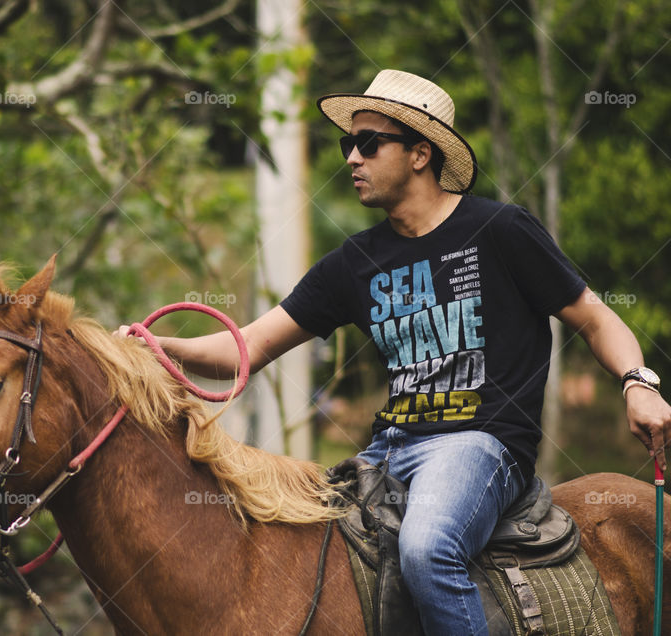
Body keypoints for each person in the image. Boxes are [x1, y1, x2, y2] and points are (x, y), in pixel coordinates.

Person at [117, 69, 671, 635]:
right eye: (346, 145)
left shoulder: (499, 230)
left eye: (368, 143)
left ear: (419, 154)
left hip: (480, 446)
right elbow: (248, 347)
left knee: (428, 551)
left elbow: (595, 316)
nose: (352, 159)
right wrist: (159, 346)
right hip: (385, 453)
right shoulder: (353, 262)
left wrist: (638, 382)